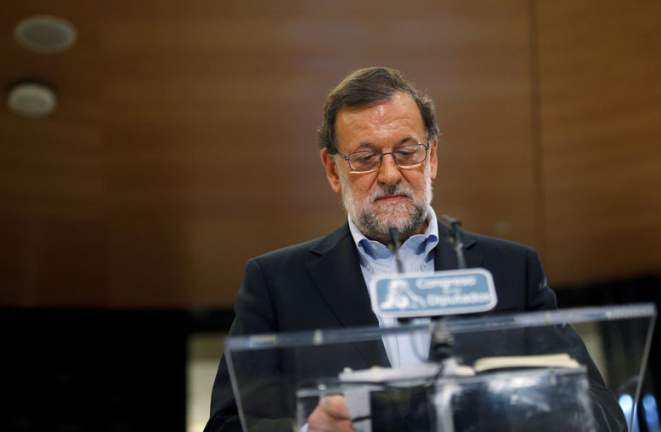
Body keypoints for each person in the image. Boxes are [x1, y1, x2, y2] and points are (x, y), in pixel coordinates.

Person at [204, 67, 626, 432]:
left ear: (432, 156)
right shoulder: (277, 284)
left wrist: (521, 409)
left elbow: (603, 411)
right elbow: (226, 424)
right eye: (365, 158)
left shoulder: (512, 270)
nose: (390, 174)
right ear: (333, 170)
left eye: (407, 152)